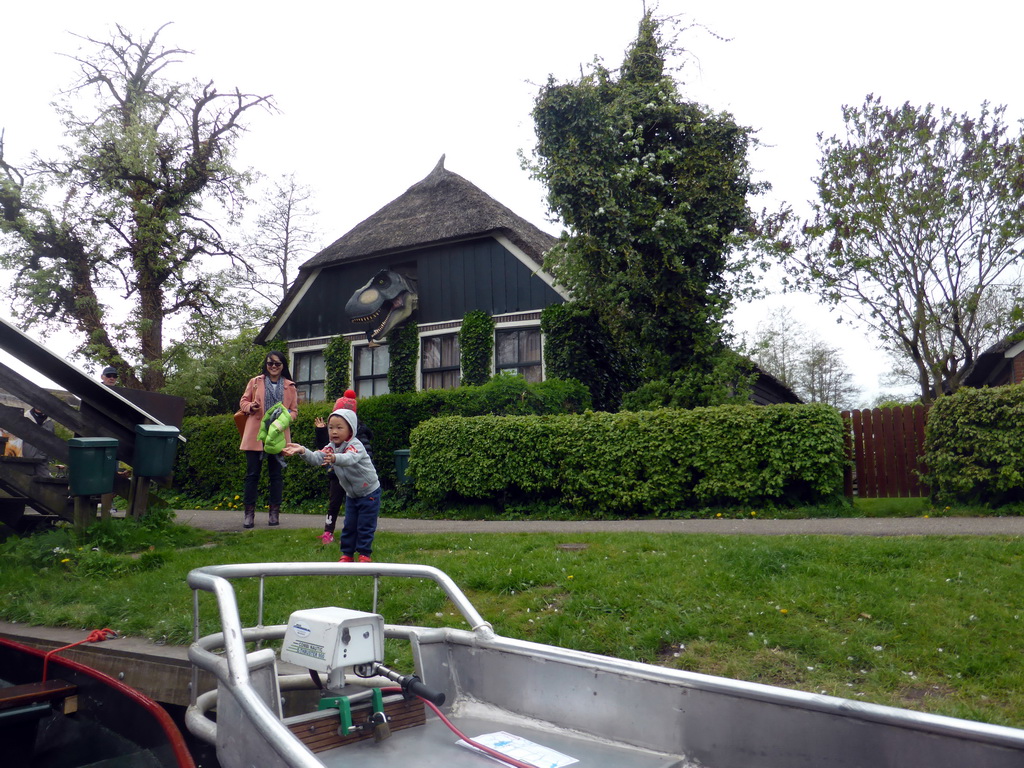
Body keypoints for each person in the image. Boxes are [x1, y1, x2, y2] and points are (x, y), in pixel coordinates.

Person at [283, 407, 380, 562]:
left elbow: (350, 458)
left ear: (351, 430)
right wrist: (302, 450)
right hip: (352, 494)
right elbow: (316, 457)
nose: (334, 431)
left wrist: (335, 458)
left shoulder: (356, 445)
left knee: (364, 526)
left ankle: (364, 554)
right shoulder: (331, 447)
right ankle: (347, 554)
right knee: (349, 525)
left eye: (339, 428)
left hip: (369, 492)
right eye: (331, 428)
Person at [238, 351, 298, 528]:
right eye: (270, 363)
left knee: (276, 476)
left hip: (278, 435)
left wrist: (284, 418)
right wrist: (251, 406)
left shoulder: (290, 386)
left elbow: (294, 411)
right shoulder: (255, 382)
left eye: (277, 364)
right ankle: (249, 514)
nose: (273, 367)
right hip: (257, 434)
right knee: (252, 475)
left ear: (283, 366)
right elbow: (243, 402)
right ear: (266, 365)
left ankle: (274, 513)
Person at [313, 390, 373, 544]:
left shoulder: (359, 437)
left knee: (354, 507)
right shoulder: (334, 432)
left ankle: (355, 535)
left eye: (340, 426)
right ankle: (328, 532)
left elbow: (364, 456)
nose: (335, 431)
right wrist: (320, 430)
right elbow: (324, 450)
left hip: (355, 480)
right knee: (334, 504)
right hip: (336, 475)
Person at [21, 406, 54, 477]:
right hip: (25, 458)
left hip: (42, 460)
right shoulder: (25, 417)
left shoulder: (49, 422)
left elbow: (52, 442)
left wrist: (48, 458)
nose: (39, 407)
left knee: (45, 482)